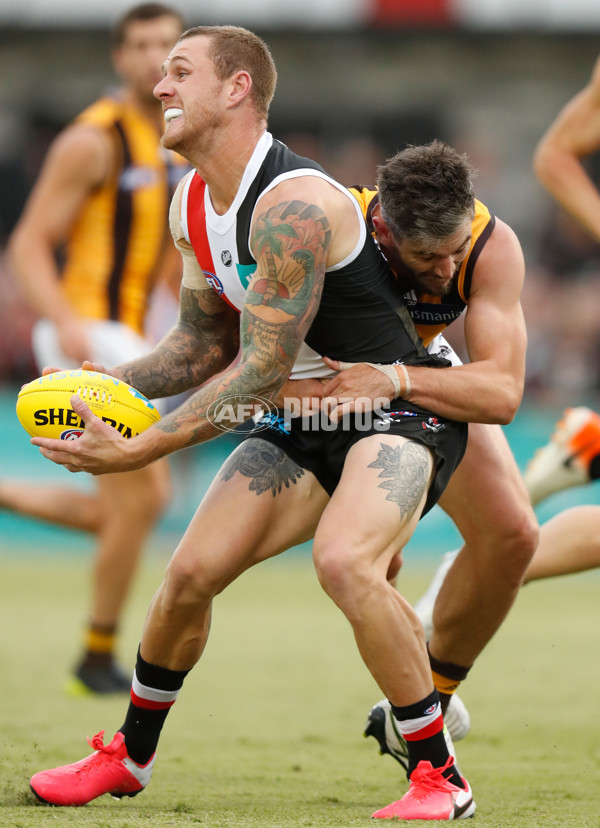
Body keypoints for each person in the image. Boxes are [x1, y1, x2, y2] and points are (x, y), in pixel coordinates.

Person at [24, 25, 488, 821]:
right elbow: (203, 344)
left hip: (398, 413)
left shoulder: (295, 206)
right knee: (187, 577)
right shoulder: (192, 202)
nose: (161, 88)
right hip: (299, 416)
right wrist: (111, 382)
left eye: (179, 72)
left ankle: (440, 777)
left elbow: (260, 367)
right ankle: (129, 758)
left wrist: (146, 443)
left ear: (236, 89)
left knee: (345, 564)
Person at [305, 143, 537, 756]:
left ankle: (430, 700)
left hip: (411, 375)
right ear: (383, 229)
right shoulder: (340, 232)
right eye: (426, 256)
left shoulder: (490, 244)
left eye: (454, 249)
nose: (445, 268)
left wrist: (399, 378)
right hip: (324, 394)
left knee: (513, 535)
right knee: (365, 565)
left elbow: (503, 391)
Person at [4, 3, 188, 694]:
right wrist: (63, 320)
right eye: (140, 45)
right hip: (90, 331)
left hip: (139, 333)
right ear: (119, 57)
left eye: (167, 46)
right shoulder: (94, 139)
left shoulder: (177, 135)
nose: (152, 58)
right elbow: (27, 242)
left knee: (130, 504)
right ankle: (97, 651)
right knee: (145, 498)